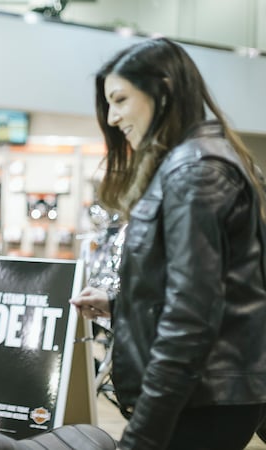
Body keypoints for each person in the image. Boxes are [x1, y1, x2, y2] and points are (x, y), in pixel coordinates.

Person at [70, 37, 266, 450]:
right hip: (203, 396)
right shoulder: (192, 163)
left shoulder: (195, 173)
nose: (113, 115)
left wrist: (143, 435)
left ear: (164, 88)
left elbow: (190, 320)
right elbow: (211, 293)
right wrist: (123, 306)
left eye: (121, 99)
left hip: (199, 401)